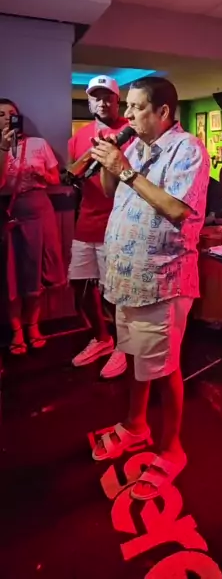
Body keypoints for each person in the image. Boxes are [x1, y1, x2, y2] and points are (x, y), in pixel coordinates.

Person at [89, 77, 210, 502]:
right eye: (129, 106)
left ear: (163, 112)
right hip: (128, 276)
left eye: (137, 107)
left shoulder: (187, 150)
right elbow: (111, 192)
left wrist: (126, 169)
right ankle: (136, 425)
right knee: (136, 356)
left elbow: (177, 209)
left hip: (163, 279)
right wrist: (112, 164)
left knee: (165, 367)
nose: (128, 114)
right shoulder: (138, 148)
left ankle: (172, 449)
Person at [69, 76, 130, 379]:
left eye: (108, 97)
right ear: (89, 101)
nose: (103, 103)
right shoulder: (80, 136)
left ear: (118, 101)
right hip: (87, 221)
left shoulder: (131, 131)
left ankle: (123, 346)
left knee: (114, 293)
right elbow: (74, 174)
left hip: (118, 223)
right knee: (79, 287)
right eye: (97, 97)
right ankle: (102, 338)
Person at [0, 99, 64, 354]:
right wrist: (3, 149)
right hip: (7, 213)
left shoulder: (38, 144)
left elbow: (55, 179)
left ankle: (33, 326)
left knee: (35, 271)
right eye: (0, 114)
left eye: (11, 113)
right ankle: (16, 330)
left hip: (39, 210)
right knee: (11, 273)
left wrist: (43, 176)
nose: (7, 117)